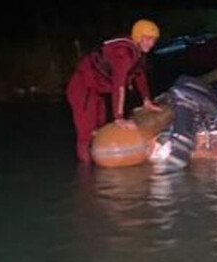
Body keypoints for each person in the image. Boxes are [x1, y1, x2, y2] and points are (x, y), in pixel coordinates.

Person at [65, 19, 163, 163]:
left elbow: (140, 75)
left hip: (96, 90)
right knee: (86, 133)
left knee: (100, 127)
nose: (151, 43)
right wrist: (119, 117)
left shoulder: (138, 53)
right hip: (82, 88)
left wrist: (146, 99)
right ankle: (85, 175)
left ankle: (97, 165)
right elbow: (119, 85)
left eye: (154, 40)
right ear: (138, 37)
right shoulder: (124, 54)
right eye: (147, 39)